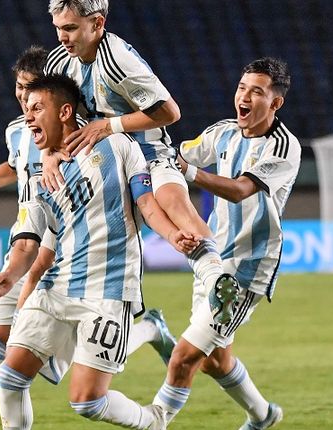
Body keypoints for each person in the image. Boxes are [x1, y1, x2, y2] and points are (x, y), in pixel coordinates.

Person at [0, 47, 175, 430]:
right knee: (5, 362)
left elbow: (146, 199)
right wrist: (12, 272)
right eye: (21, 95)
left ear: (62, 105)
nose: (25, 106)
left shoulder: (109, 142)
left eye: (34, 97)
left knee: (84, 397)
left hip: (101, 283)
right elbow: (30, 220)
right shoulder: (25, 140)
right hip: (45, 262)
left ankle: (149, 401)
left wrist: (179, 237)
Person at [126, 57, 301, 430]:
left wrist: (188, 173)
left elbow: (240, 189)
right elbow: (182, 155)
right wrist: (166, 164)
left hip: (247, 270)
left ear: (276, 103)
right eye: (242, 88)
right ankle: (262, 414)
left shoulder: (285, 148)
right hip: (213, 258)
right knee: (214, 361)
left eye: (257, 91)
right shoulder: (222, 133)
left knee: (184, 358)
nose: (244, 97)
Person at [40, 0, 240, 324]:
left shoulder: (117, 59)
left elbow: (170, 112)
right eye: (59, 28)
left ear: (98, 24)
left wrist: (108, 125)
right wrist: (49, 155)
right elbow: (49, 117)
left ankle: (217, 280)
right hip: (101, 165)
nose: (62, 37)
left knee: (172, 203)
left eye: (71, 28)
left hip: (148, 154)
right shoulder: (59, 62)